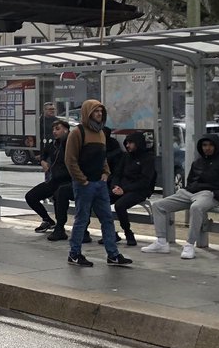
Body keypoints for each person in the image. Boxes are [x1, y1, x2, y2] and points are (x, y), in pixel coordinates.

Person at [143, 133, 219, 260]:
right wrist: (187, 190)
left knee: (196, 207)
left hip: (208, 195)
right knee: (158, 205)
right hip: (188, 193)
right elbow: (190, 180)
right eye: (204, 145)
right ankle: (161, 242)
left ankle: (189, 245)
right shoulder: (197, 162)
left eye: (210, 145)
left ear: (216, 146)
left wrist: (216, 194)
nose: (207, 148)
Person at [63, 99, 132, 267]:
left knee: (107, 219)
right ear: (88, 113)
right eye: (95, 111)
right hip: (84, 184)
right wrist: (83, 180)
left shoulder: (101, 133)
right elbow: (70, 160)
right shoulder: (78, 133)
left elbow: (103, 157)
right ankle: (74, 254)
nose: (99, 114)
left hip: (99, 183)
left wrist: (106, 173)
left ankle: (113, 254)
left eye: (101, 111)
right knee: (82, 219)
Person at [109, 132, 157, 247]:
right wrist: (115, 186)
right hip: (122, 188)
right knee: (100, 201)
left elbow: (145, 181)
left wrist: (124, 190)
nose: (128, 146)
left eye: (131, 143)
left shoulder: (148, 158)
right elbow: (117, 174)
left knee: (120, 205)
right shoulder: (126, 156)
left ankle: (128, 233)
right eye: (127, 143)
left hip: (139, 190)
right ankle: (110, 232)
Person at [25, 118, 73, 236]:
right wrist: (42, 161)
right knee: (31, 196)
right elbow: (43, 153)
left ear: (66, 130)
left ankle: (60, 228)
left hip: (68, 181)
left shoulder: (71, 144)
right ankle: (47, 220)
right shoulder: (52, 144)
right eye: (53, 129)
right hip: (55, 180)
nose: (55, 132)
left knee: (59, 196)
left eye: (58, 129)